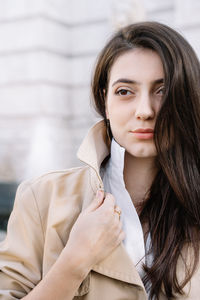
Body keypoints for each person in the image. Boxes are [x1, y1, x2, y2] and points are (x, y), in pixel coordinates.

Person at [1, 21, 200, 300]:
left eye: (162, 90)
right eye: (124, 91)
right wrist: (74, 261)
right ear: (104, 100)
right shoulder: (41, 197)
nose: (144, 111)